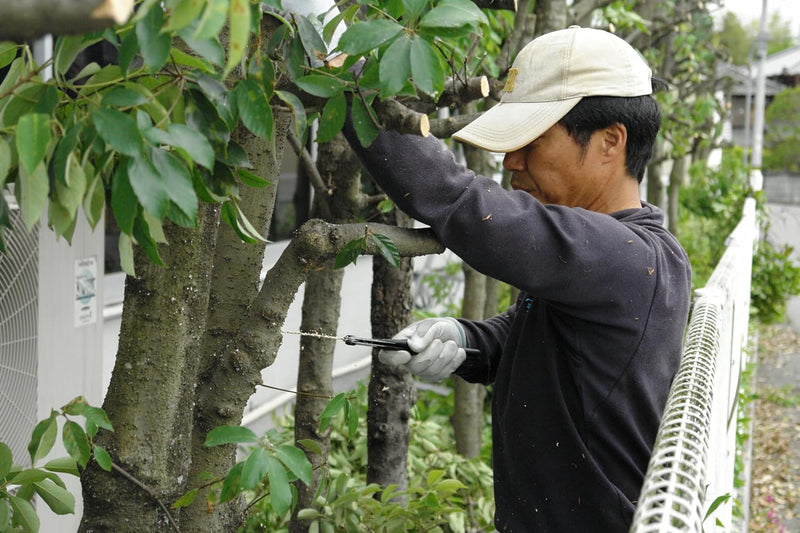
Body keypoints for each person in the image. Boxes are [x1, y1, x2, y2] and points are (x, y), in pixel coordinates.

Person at [343, 26, 691, 532]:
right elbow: (559, 346)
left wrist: (340, 67)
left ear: (610, 142)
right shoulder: (617, 255)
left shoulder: (627, 258)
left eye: (531, 141)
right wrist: (468, 342)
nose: (512, 162)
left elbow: (468, 206)